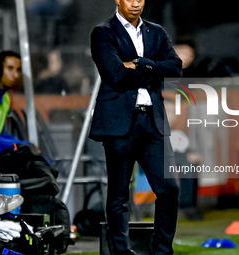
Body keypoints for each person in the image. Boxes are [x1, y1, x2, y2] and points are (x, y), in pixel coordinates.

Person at [89, 0, 182, 254]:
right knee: (119, 193)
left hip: (153, 122)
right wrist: (155, 68)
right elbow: (116, 75)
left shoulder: (157, 32)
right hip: (119, 123)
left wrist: (140, 63)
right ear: (118, 0)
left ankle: (161, 252)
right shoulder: (103, 32)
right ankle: (121, 252)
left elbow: (175, 67)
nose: (135, 3)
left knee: (170, 188)